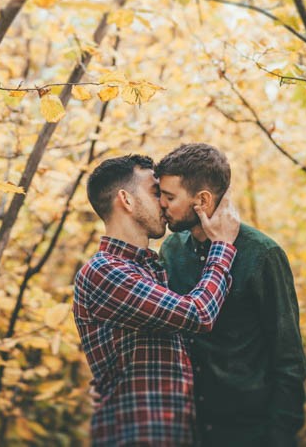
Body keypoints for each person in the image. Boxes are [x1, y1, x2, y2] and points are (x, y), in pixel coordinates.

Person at [73, 153, 240, 447]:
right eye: (155, 193)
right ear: (126, 200)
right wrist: (222, 247)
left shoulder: (153, 268)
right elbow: (198, 315)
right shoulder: (104, 271)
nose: (164, 203)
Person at [157, 143, 306, 447]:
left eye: (169, 197)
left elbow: (289, 360)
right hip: (188, 430)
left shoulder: (263, 254)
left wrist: (279, 436)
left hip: (252, 432)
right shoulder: (171, 250)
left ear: (202, 200)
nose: (160, 203)